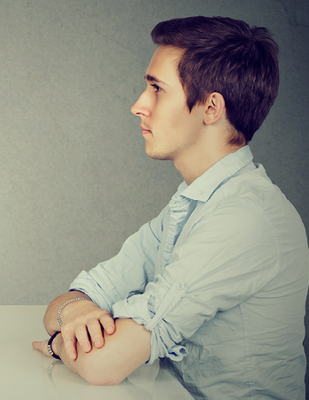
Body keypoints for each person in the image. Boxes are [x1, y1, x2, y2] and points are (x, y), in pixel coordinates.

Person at [32, 16, 308, 399]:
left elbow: (103, 364)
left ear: (211, 108)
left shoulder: (244, 219)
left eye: (157, 89)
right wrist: (75, 314)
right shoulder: (192, 204)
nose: (138, 106)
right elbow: (75, 297)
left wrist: (59, 342)